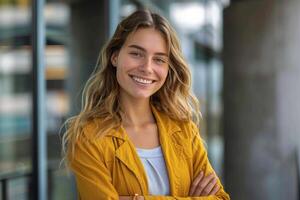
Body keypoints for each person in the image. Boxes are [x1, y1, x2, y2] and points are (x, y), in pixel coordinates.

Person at [62, 9, 230, 200]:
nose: (147, 68)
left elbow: (221, 198)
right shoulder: (90, 136)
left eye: (159, 59)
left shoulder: (184, 130)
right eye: (136, 54)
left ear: (168, 68)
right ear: (115, 57)